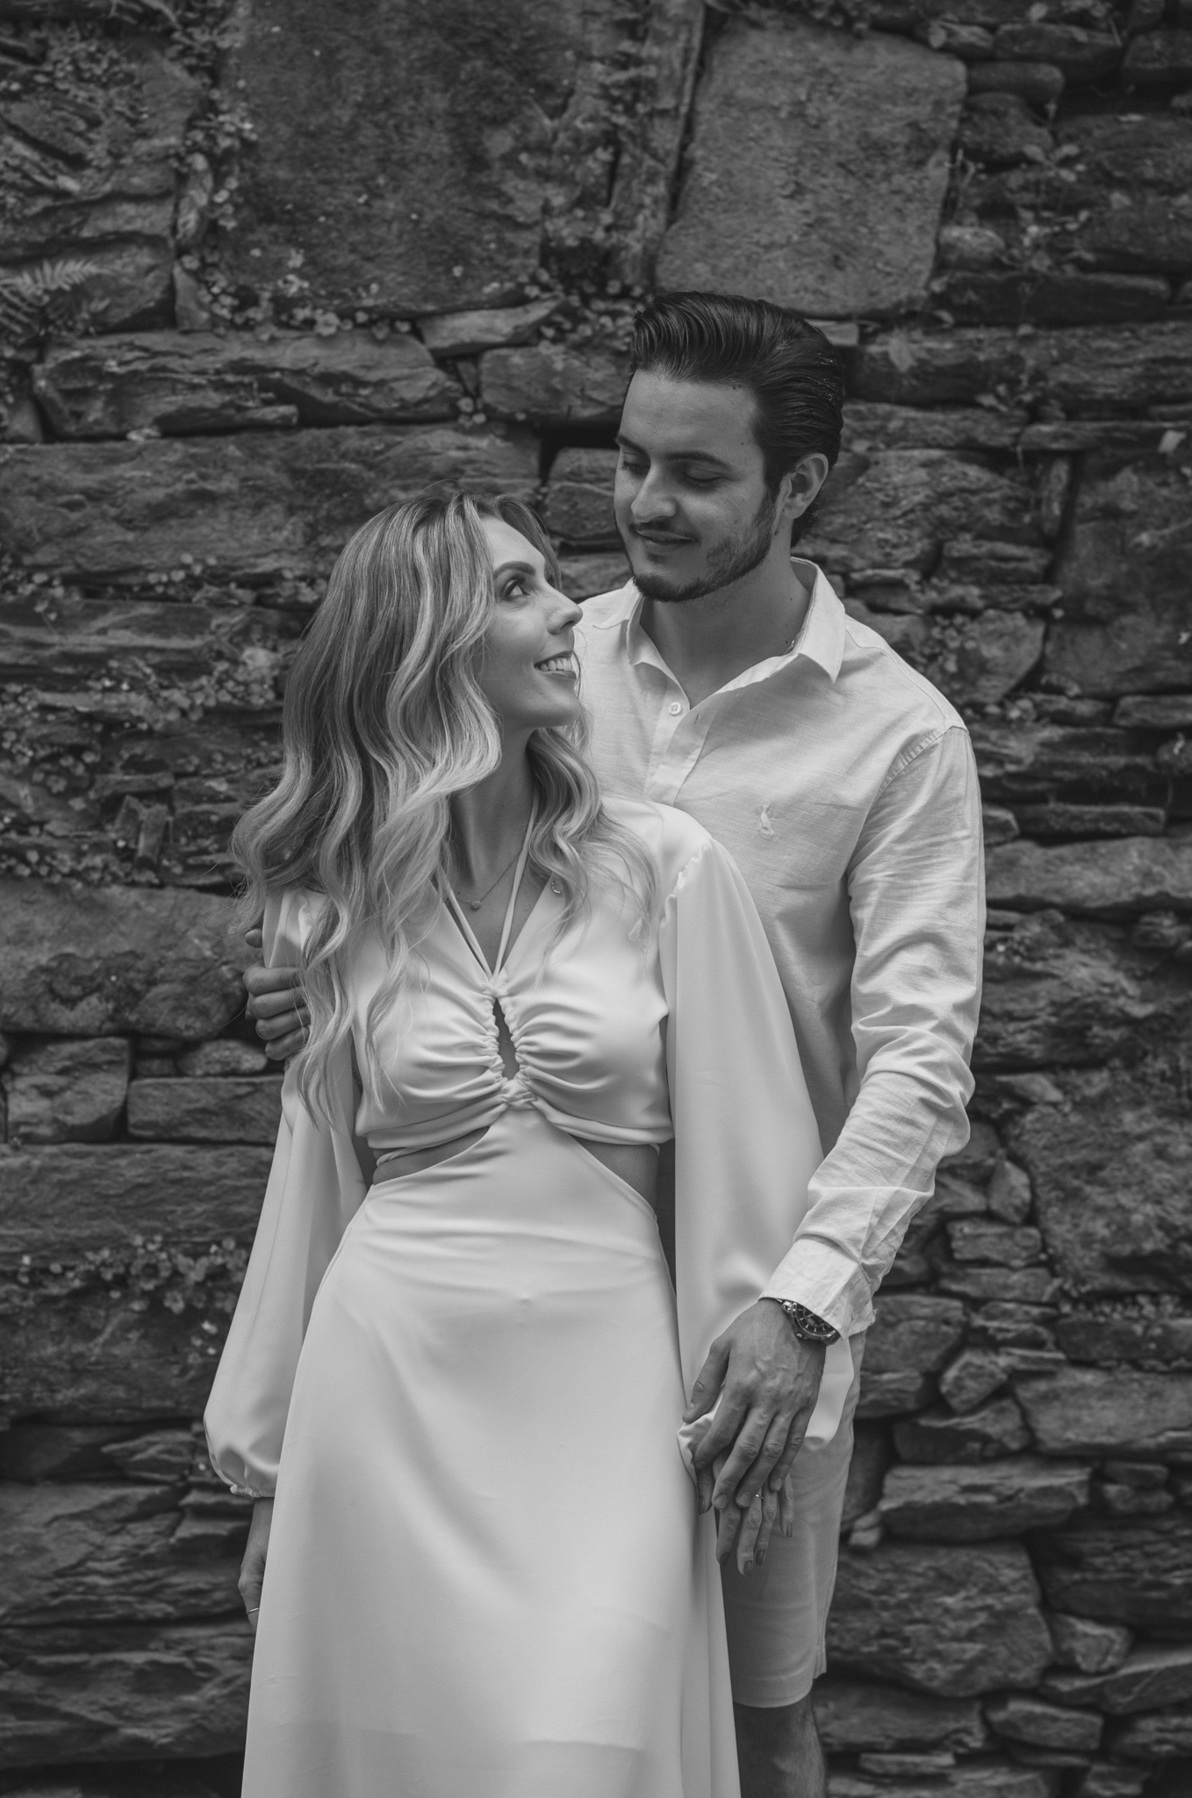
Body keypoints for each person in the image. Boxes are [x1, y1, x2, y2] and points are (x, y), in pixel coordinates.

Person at [244, 292, 986, 1798]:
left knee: (758, 1718)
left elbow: (918, 1056)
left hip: (749, 1309)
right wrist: (323, 988)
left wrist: (803, 1303)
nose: (647, 503)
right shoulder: (535, 656)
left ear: (799, 486)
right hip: (463, 1306)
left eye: (698, 475)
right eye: (633, 459)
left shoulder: (901, 737)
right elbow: (390, 861)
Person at [206, 486, 852, 1798]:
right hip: (384, 1393)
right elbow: (312, 1183)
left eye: (552, 581)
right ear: (426, 643)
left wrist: (752, 1399)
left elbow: (756, 1149)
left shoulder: (665, 867)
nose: (570, 612)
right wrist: (272, 1475)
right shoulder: (331, 907)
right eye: (518, 589)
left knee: (586, 1748)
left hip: (609, 1394)